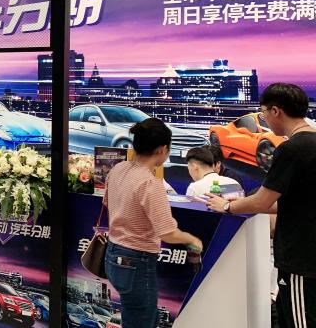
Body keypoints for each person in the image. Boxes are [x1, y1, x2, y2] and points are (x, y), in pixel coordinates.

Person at [206, 83, 316, 328]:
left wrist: (227, 206)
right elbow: (294, 203)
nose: (265, 118)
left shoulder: (292, 148)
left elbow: (263, 199)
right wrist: (242, 204)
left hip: (301, 259)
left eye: (264, 112)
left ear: (276, 111)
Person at [104, 118, 203, 328]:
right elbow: (167, 232)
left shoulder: (118, 169)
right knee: (141, 321)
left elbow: (107, 202)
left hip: (113, 255)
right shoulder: (150, 182)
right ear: (162, 149)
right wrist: (192, 239)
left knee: (134, 316)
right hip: (137, 262)